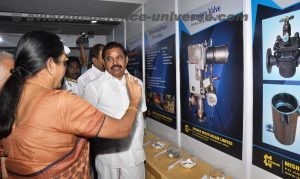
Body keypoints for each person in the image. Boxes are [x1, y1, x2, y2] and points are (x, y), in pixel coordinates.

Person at [0, 31, 142, 178]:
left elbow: (4, 159)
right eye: (64, 62)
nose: (65, 69)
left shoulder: (10, 98)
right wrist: (134, 101)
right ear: (50, 65)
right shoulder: (61, 102)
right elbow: (122, 129)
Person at [83, 42, 147, 179]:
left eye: (119, 57)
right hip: (107, 157)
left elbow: (141, 117)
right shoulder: (93, 87)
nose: (115, 62)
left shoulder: (138, 83)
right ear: (103, 63)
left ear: (126, 59)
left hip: (133, 155)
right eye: (109, 59)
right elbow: (88, 123)